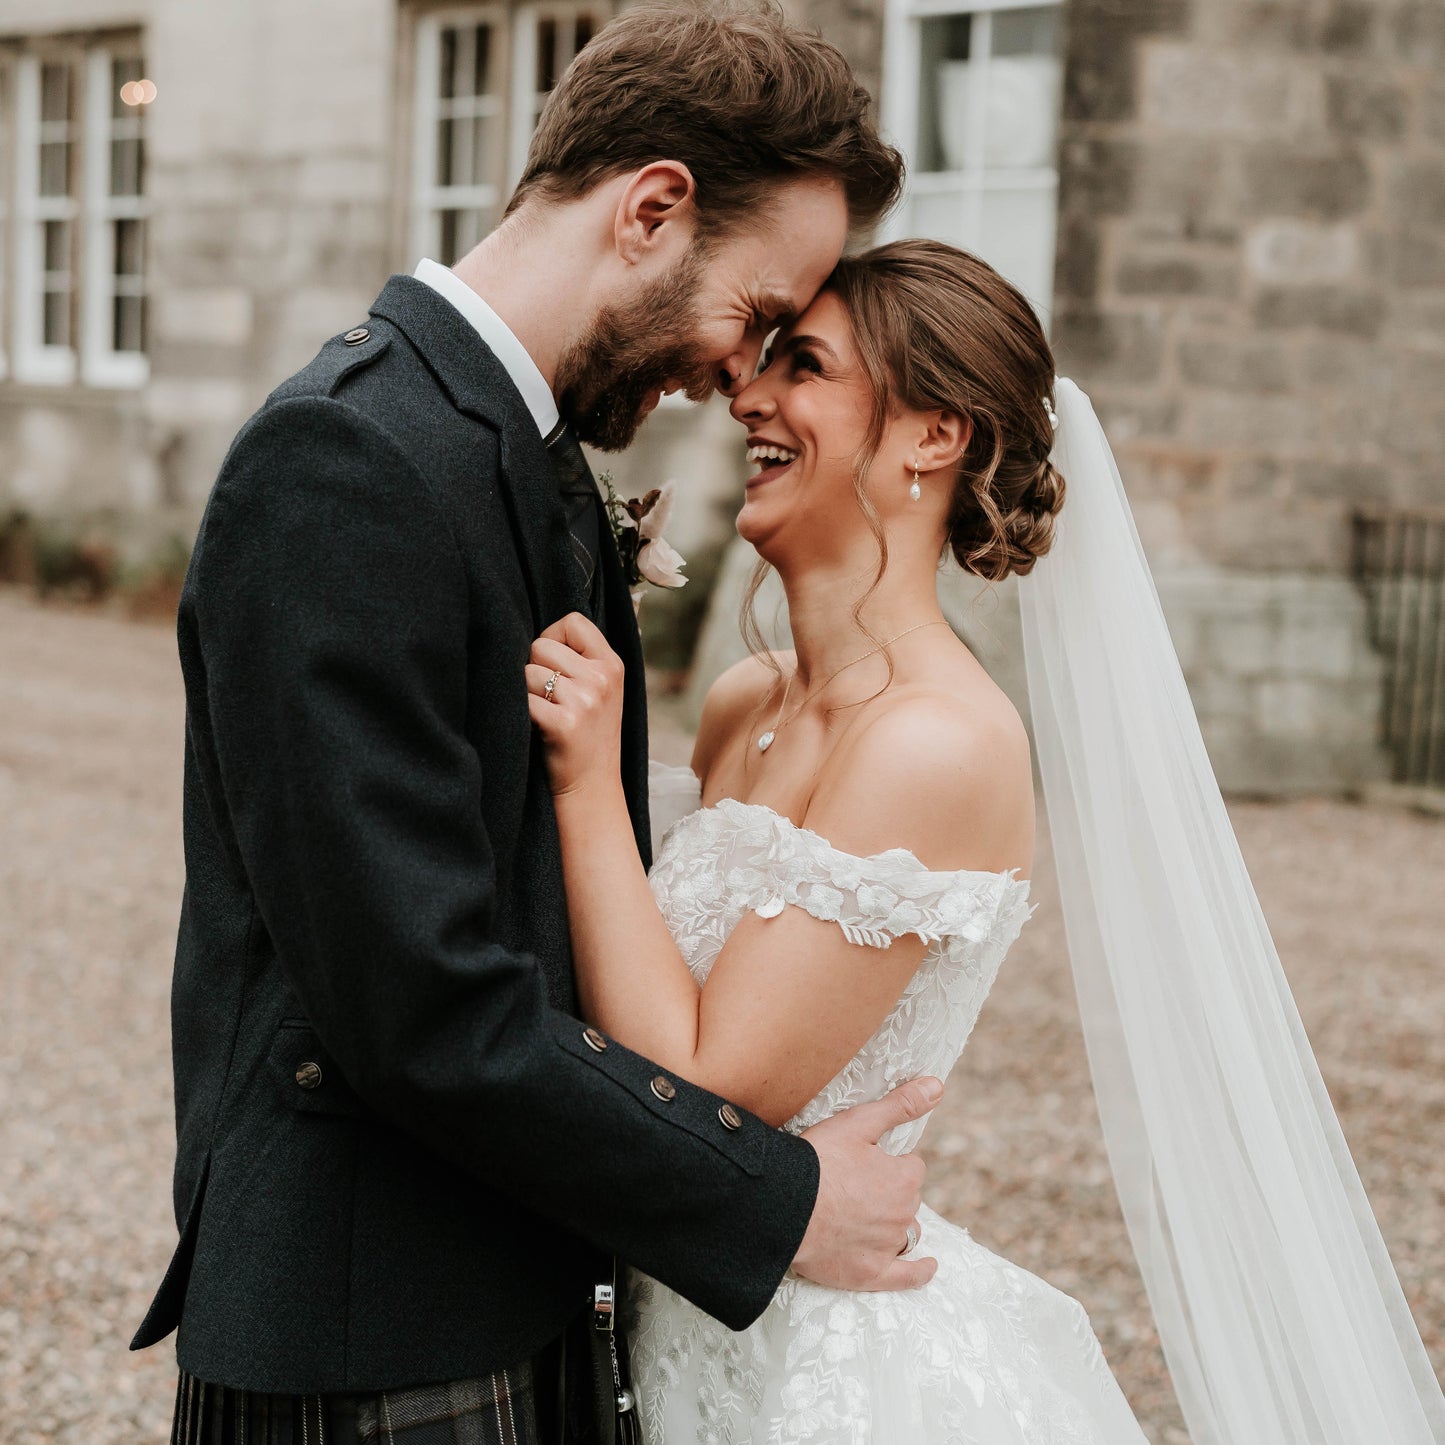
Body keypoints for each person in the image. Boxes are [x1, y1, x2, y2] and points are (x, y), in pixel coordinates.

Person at [129, 10, 943, 1443]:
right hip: (372, 1326)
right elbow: (416, 1003)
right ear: (651, 209)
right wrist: (775, 1198)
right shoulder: (349, 457)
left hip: (520, 1273)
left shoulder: (518, 446)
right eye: (755, 314)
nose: (735, 374)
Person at [528, 239, 1445, 1443]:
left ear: (932, 436)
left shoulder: (939, 742)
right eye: (758, 364)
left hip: (822, 1373)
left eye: (801, 366)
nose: (746, 395)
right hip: (670, 1327)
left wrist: (586, 779)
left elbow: (700, 1088)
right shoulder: (745, 699)